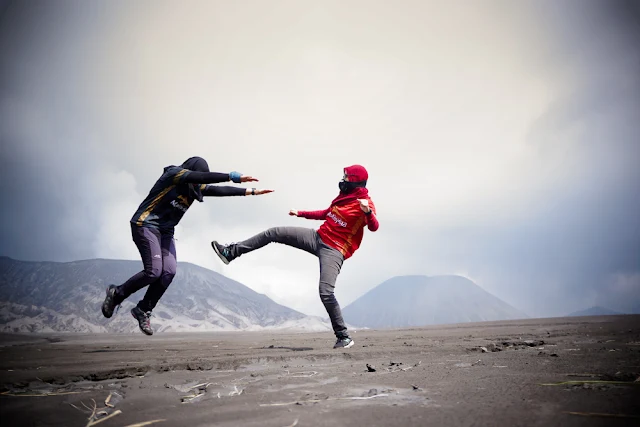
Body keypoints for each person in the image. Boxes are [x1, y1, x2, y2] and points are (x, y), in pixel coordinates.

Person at [211, 165, 378, 349]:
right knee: (273, 233)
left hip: (334, 250)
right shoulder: (344, 198)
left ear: (354, 180)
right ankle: (231, 252)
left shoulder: (364, 203)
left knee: (326, 292)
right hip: (317, 237)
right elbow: (326, 214)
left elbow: (374, 227)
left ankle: (344, 337)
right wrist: (301, 213)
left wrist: (367, 213)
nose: (343, 179)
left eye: (346, 177)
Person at [101, 156, 273, 335]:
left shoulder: (194, 188)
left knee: (169, 272)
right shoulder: (174, 175)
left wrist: (251, 191)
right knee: (154, 271)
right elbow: (207, 179)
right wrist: (232, 175)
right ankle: (117, 293)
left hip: (166, 232)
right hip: (145, 225)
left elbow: (219, 190)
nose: (198, 184)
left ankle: (143, 309)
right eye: (197, 178)